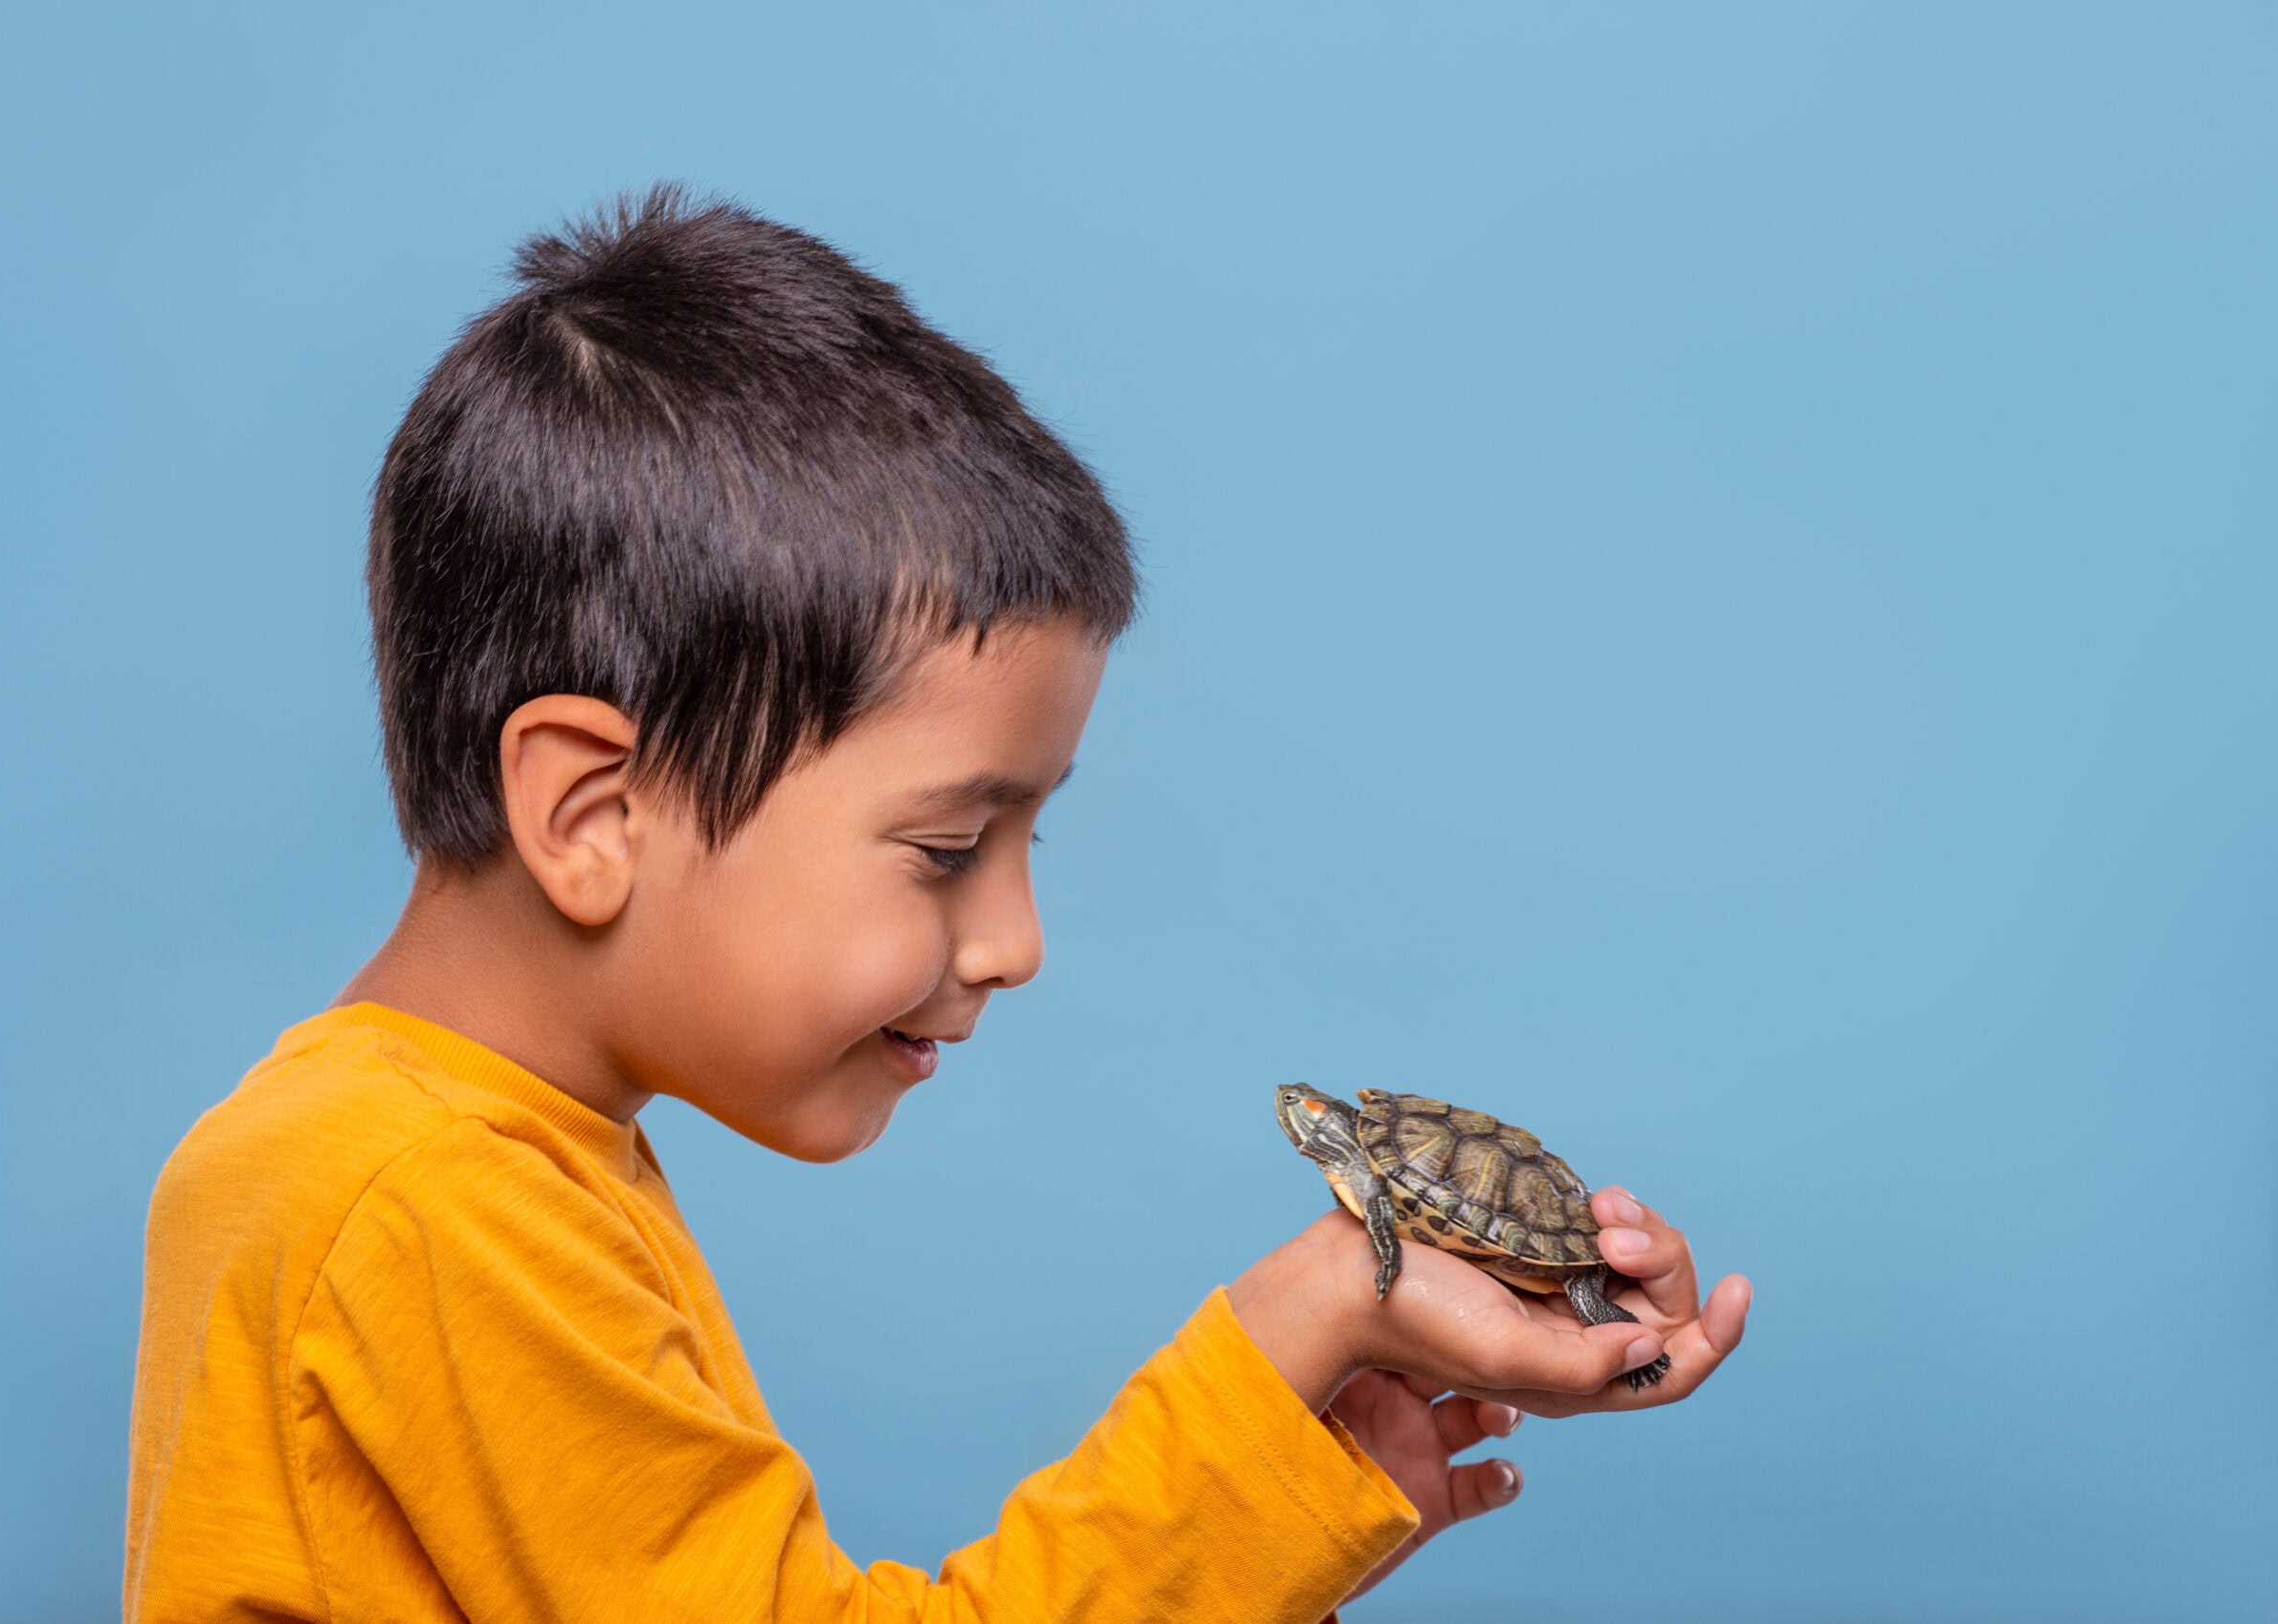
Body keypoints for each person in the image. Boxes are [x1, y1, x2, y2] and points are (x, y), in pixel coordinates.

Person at [124, 187, 1752, 1623]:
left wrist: (1297, 1465)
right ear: (591, 814)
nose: (1015, 942)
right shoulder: (419, 1210)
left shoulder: (462, 1163)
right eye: (947, 847)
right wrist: (1308, 1313)